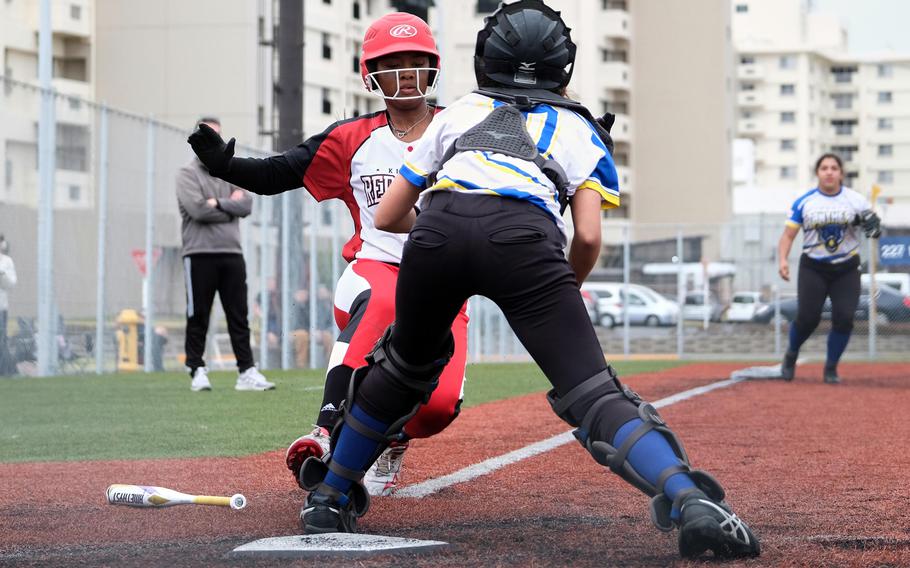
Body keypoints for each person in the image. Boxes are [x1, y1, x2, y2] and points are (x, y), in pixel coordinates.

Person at [295, 1, 761, 560]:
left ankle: (328, 495)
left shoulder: (457, 112)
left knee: (400, 369)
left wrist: (443, 238)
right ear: (562, 66)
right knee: (592, 392)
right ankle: (692, 502)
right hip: (526, 242)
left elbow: (390, 215)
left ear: (485, 58)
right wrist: (559, 286)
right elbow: (587, 238)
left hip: (437, 231)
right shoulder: (582, 128)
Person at [187, 12, 468, 496]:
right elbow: (280, 172)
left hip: (444, 283)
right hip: (373, 271)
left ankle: (394, 435)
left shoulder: (463, 129)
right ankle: (325, 430)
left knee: (438, 408)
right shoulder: (349, 138)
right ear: (371, 72)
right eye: (392, 61)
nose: (404, 71)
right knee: (386, 300)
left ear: (432, 67)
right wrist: (225, 165)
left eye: (415, 61)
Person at [177, 117, 275, 392]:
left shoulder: (230, 172)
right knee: (198, 315)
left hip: (232, 253)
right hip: (199, 254)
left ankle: (246, 371)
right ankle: (196, 369)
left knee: (238, 315)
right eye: (209, 135)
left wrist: (216, 203)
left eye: (218, 136)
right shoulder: (187, 174)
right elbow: (197, 210)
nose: (215, 141)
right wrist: (228, 205)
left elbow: (246, 206)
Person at [777, 153, 881, 384]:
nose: (829, 172)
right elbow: (788, 236)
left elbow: (873, 231)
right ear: (818, 173)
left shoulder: (856, 200)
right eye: (824, 168)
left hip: (846, 268)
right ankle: (791, 354)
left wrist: (873, 227)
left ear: (841, 173)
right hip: (813, 266)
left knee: (844, 317)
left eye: (834, 168)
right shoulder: (804, 202)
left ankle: (831, 368)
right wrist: (783, 260)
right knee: (807, 318)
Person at [0, 234, 17, 376]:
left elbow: (11, 284)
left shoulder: (7, 261)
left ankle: (5, 371)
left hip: (1, 308)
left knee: (1, 340)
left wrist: (2, 275)